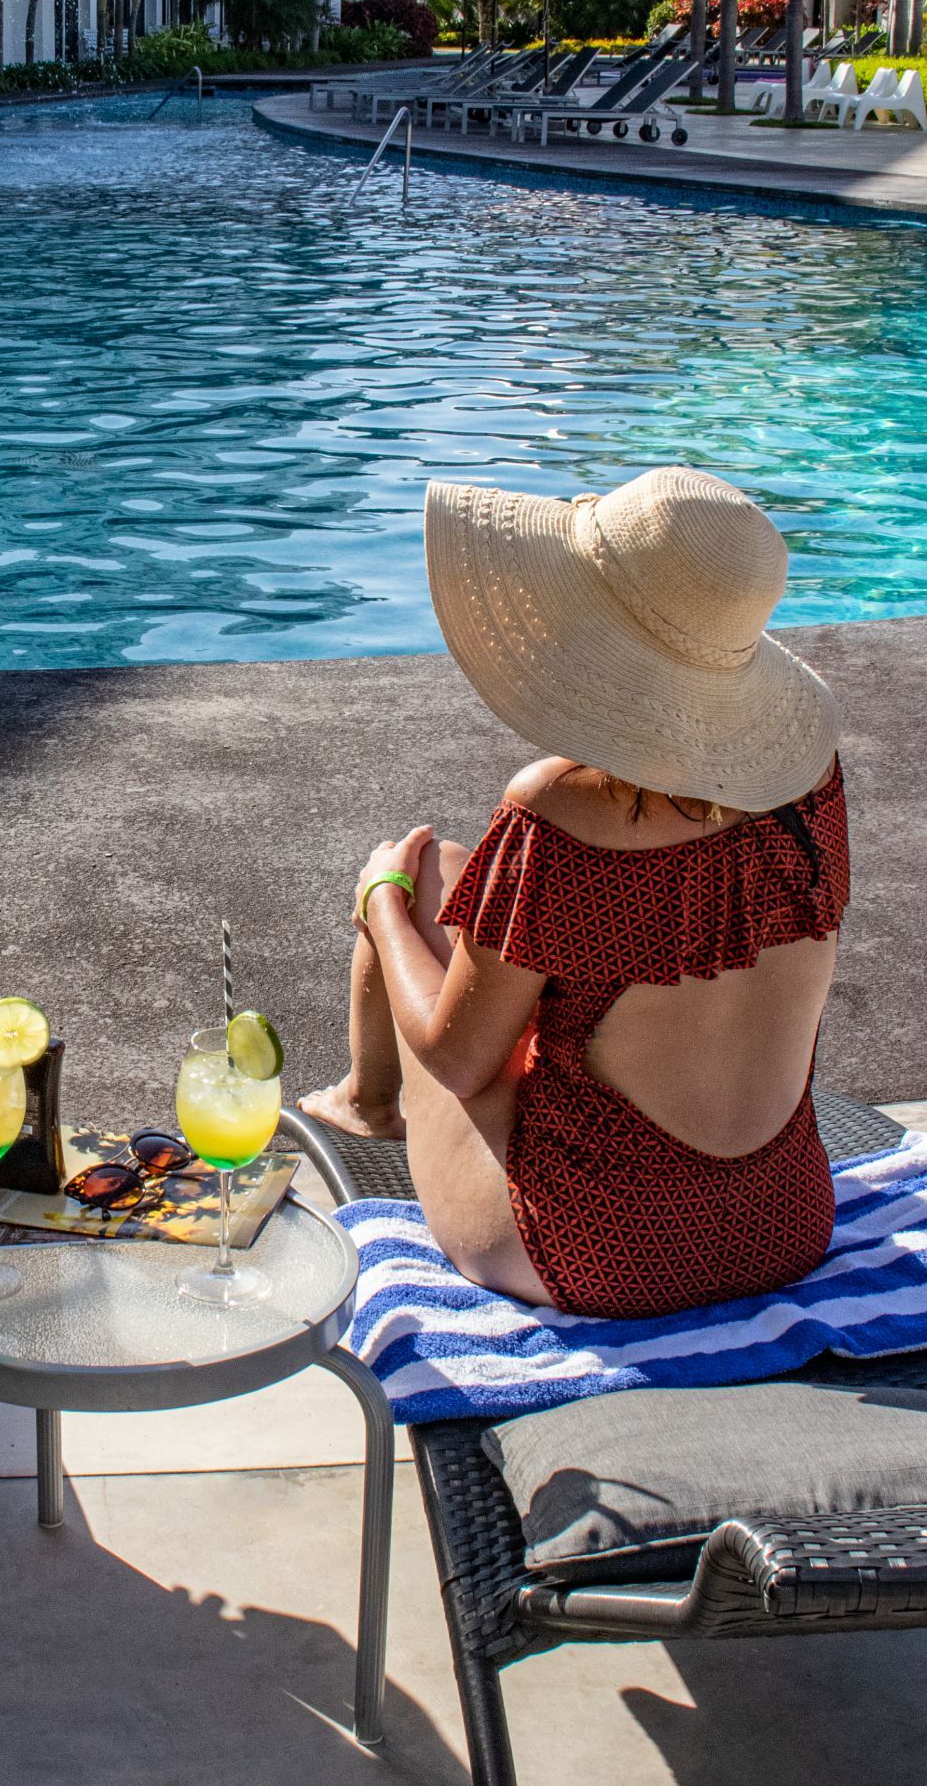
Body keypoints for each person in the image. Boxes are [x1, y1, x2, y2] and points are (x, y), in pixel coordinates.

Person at [300, 466, 848, 1321]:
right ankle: (366, 1098)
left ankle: (367, 1107)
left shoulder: (561, 813)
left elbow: (457, 1060)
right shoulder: (807, 779)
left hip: (594, 1253)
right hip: (784, 1226)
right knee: (464, 878)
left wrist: (379, 901)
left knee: (414, 886)